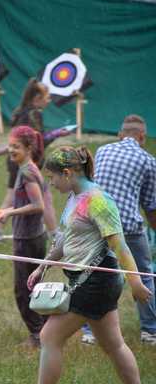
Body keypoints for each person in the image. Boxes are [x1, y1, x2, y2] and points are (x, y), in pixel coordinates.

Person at [2, 146, 154, 384]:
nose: (50, 182)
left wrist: (136, 283)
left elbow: (121, 247)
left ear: (68, 173)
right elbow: (64, 239)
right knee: (113, 344)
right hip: (86, 280)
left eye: (53, 177)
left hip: (96, 282)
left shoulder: (98, 201)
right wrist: (43, 267)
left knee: (49, 336)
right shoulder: (75, 197)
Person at [80, 114, 156, 346]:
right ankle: (150, 331)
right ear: (142, 136)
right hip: (127, 227)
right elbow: (150, 205)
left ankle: (89, 330)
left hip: (94, 222)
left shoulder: (102, 151)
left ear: (120, 134)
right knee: (144, 273)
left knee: (92, 273)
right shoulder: (148, 161)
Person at [0, 78, 70, 243]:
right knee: (41, 196)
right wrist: (57, 134)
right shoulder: (34, 113)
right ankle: (55, 234)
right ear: (37, 99)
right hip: (24, 162)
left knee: (19, 195)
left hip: (17, 160)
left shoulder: (21, 111)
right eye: (46, 97)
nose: (49, 100)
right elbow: (38, 140)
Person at [0, 126, 47, 347]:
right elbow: (26, 201)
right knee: (35, 286)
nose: (10, 150)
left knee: (23, 290)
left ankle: (37, 335)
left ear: (29, 148)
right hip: (34, 236)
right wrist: (2, 213)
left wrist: (9, 212)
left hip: (28, 239)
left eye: (16, 146)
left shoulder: (27, 172)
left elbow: (38, 205)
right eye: (10, 145)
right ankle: (45, 330)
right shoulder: (25, 168)